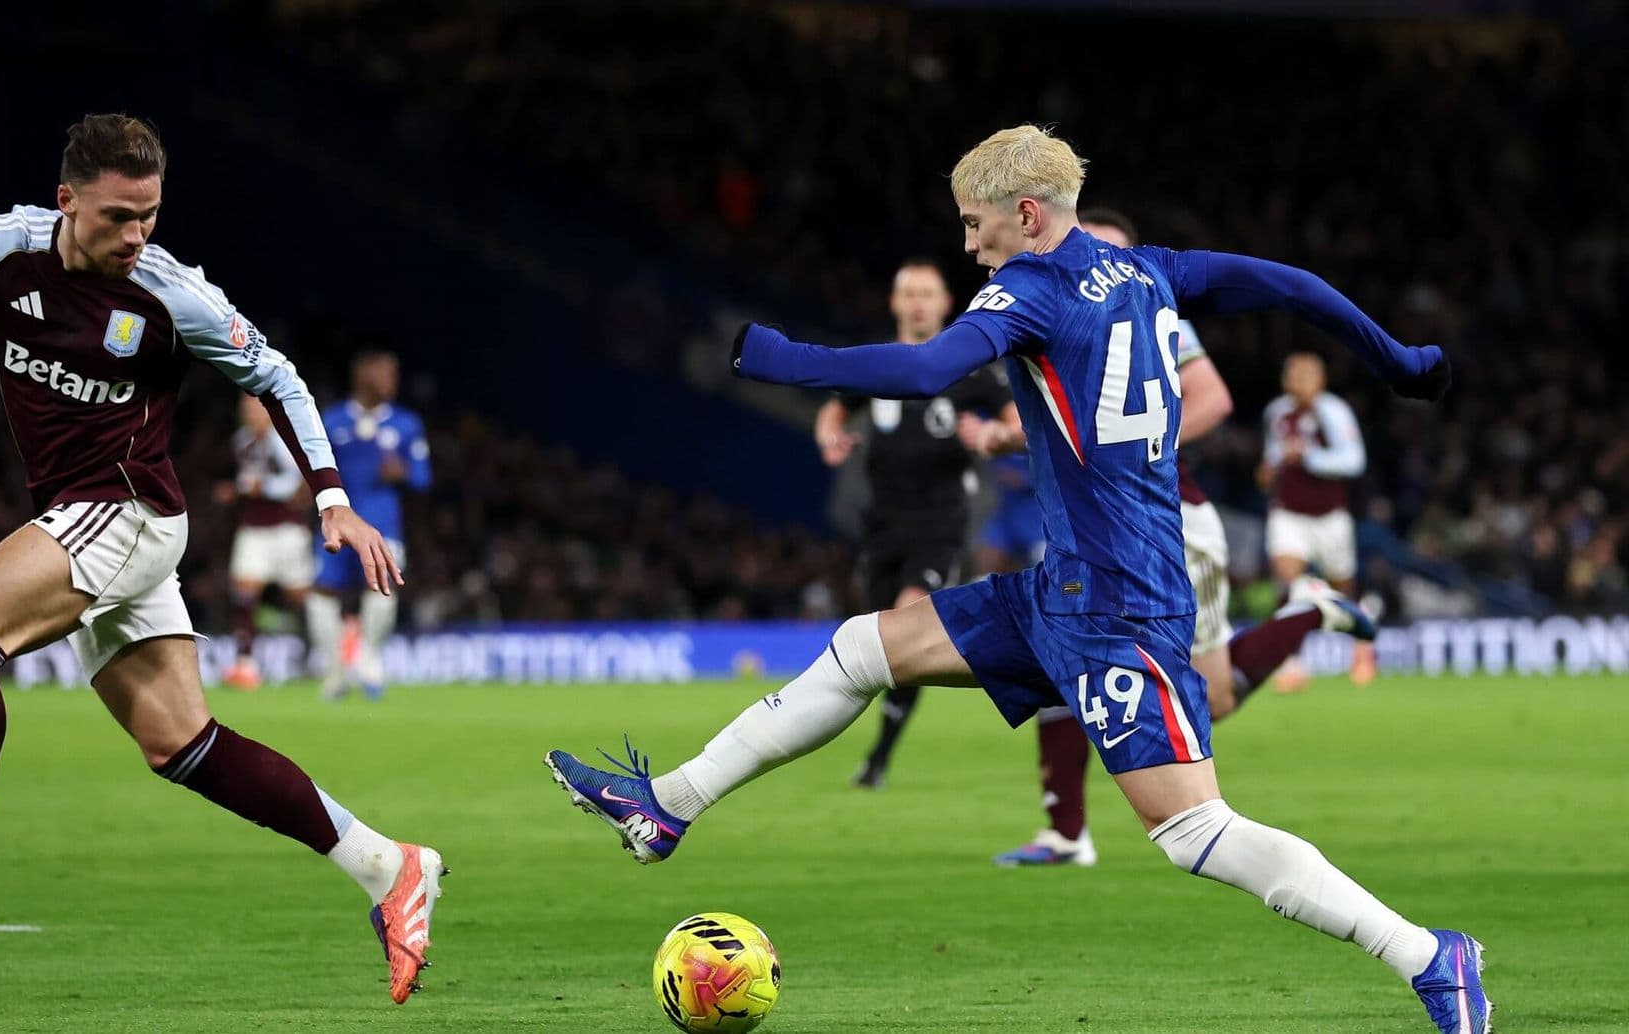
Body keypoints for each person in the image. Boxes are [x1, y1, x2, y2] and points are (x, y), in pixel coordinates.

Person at [544, 125, 1486, 1032]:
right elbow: (1284, 282)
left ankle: (1424, 955)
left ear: (1028, 216)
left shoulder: (1031, 292)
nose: (969, 246)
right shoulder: (1151, 269)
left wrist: (784, 358)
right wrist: (1391, 356)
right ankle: (668, 804)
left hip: (1119, 604)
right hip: (1063, 590)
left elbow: (924, 374)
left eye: (974, 226)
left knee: (1195, 832)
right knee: (862, 650)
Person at [0, 114, 442, 1003]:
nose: (136, 237)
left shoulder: (173, 294)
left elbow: (276, 377)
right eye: (117, 217)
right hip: (82, 514)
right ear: (66, 202)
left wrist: (331, 498)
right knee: (183, 745)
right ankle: (388, 866)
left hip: (126, 511)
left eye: (150, 216)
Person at [986, 209, 1377, 868]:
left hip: (1169, 523)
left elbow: (1214, 400)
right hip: (1099, 530)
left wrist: (1132, 452)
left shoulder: (1150, 307)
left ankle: (1310, 610)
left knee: (1210, 697)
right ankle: (1065, 832)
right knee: (1059, 652)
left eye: (1109, 250)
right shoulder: (1050, 306)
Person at [810, 260, 995, 789]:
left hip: (940, 523)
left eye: (927, 293)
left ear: (944, 304)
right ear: (895, 304)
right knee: (876, 636)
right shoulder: (877, 363)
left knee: (903, 623)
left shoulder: (970, 367)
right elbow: (834, 409)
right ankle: (880, 747)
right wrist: (829, 437)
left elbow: (1012, 418)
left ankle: (878, 757)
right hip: (882, 523)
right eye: (908, 293)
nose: (917, 303)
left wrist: (986, 431)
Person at [307, 349, 431, 700]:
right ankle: (334, 672)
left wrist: (402, 472)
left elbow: (423, 479)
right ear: (364, 376)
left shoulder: (406, 424)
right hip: (337, 523)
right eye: (386, 374)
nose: (393, 381)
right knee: (323, 593)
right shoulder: (331, 420)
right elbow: (313, 469)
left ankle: (369, 660)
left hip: (383, 525)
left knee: (382, 588)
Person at [1261, 350, 1378, 685]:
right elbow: (1273, 454)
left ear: (1320, 380)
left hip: (1329, 516)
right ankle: (1291, 663)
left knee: (1343, 587)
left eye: (1305, 374)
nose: (1297, 381)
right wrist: (1269, 469)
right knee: (1287, 580)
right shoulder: (1277, 413)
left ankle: (1361, 644)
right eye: (1292, 374)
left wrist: (1309, 457)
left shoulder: (1334, 412)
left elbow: (1354, 461)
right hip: (1289, 513)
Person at [219, 395, 314, 690]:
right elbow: (247, 481)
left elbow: (300, 482)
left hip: (287, 528)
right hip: (254, 528)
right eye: (244, 408)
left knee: (301, 598)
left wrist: (265, 487)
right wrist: (237, 490)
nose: (249, 413)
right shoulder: (241, 441)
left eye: (254, 408)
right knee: (244, 592)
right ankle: (245, 664)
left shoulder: (284, 440)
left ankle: (314, 655)